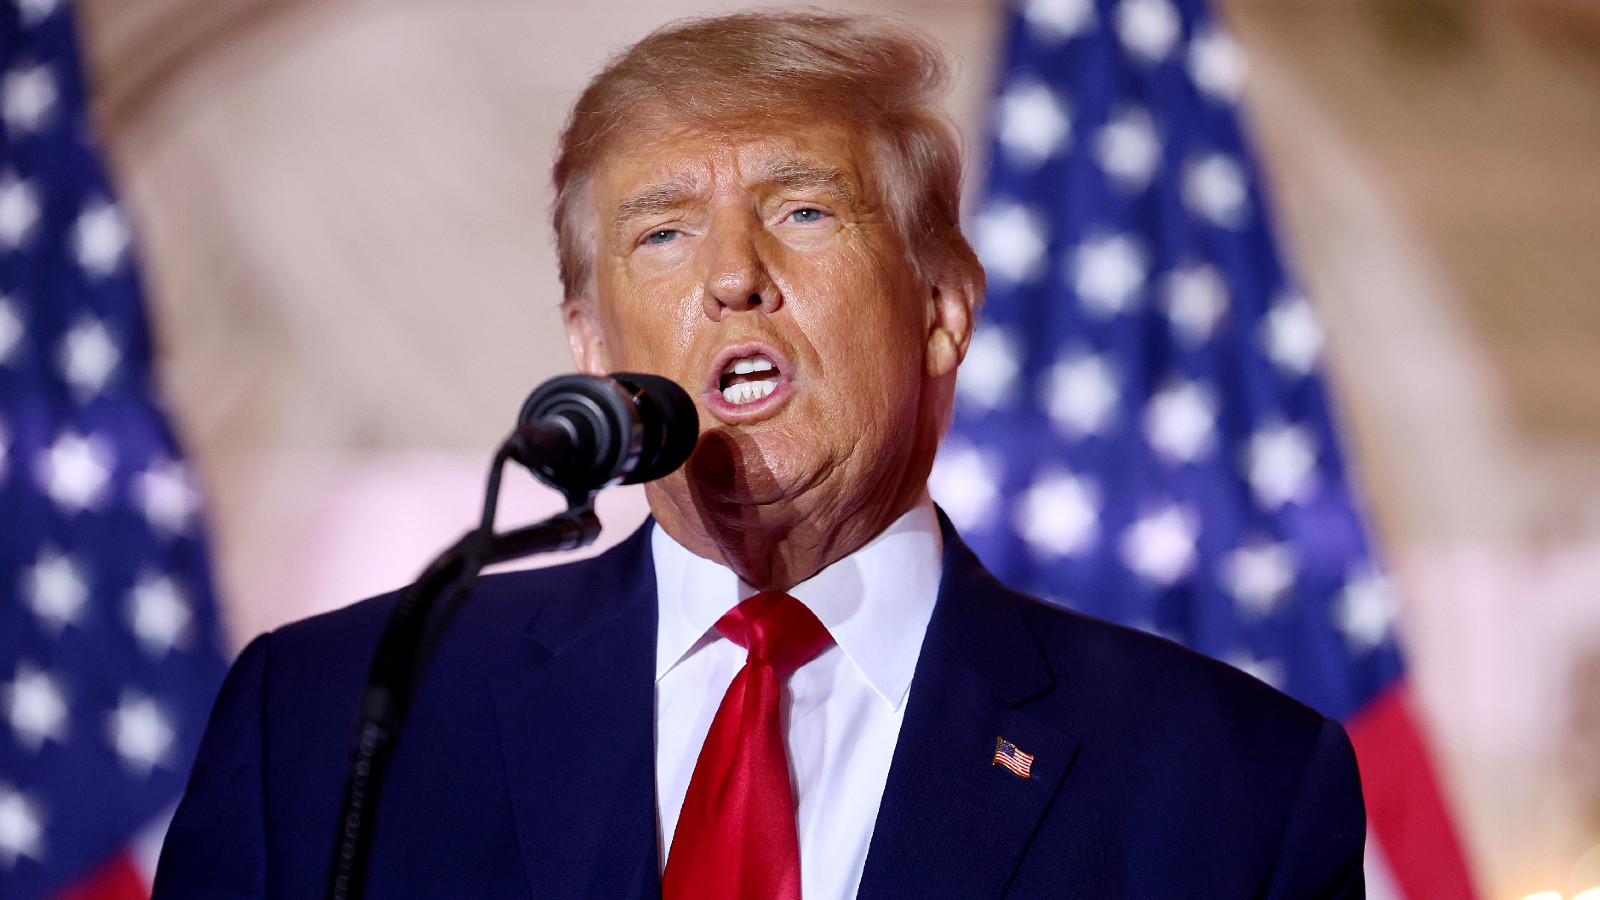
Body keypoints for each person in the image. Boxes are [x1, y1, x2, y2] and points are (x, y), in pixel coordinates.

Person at [153, 11, 1365, 899]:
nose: (733, 274)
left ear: (940, 308)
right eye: (665, 231)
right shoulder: (332, 721)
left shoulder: (1226, 783)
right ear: (591, 346)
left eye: (801, 211)